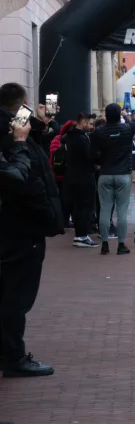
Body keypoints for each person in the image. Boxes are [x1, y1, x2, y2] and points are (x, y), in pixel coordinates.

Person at [0, 82, 61, 378]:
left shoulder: (14, 125)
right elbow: (18, 175)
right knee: (15, 296)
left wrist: (39, 121)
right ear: (19, 104)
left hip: (20, 226)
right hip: (19, 228)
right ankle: (13, 356)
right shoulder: (11, 136)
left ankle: (12, 353)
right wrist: (46, 216)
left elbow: (26, 136)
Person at [90, 88, 135, 254]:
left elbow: (92, 155)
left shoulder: (98, 133)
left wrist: (101, 162)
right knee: (122, 211)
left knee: (105, 210)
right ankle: (121, 244)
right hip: (123, 174)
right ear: (120, 114)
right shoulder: (127, 129)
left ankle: (105, 243)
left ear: (106, 116)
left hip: (105, 174)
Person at [64, 114, 99, 248]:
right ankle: (81, 235)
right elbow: (90, 156)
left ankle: (80, 234)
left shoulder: (69, 136)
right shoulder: (82, 138)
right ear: (83, 122)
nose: (92, 127)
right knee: (85, 206)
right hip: (83, 176)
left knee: (78, 206)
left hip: (72, 175)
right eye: (90, 124)